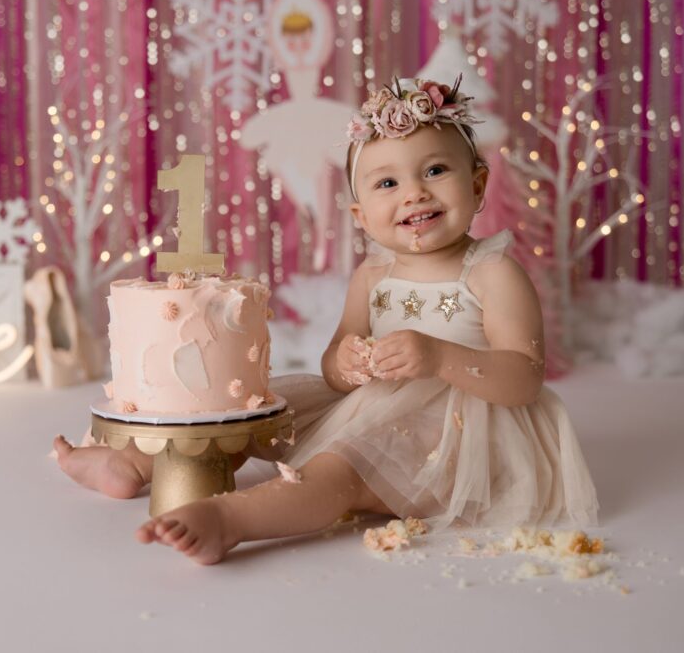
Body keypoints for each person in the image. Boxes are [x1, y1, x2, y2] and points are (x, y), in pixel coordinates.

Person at [52, 74, 599, 565]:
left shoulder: (492, 273)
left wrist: (438, 356)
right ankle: (134, 465)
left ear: (477, 186)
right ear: (361, 215)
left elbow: (524, 380)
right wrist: (347, 363)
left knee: (338, 470)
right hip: (377, 405)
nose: (414, 193)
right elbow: (334, 369)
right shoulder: (373, 274)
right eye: (388, 183)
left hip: (458, 439)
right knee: (254, 418)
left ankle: (232, 521)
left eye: (435, 170)